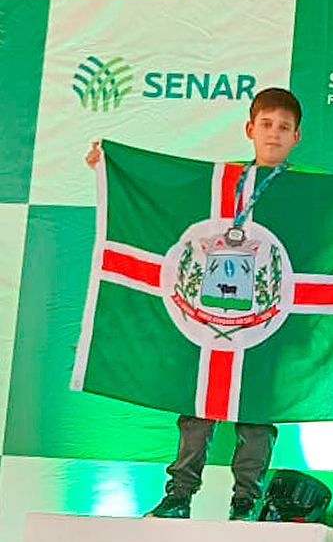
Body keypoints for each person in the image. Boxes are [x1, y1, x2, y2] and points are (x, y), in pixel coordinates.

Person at [87, 86, 304, 519]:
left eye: (284, 127)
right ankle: (179, 496)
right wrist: (108, 168)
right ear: (250, 129)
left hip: (268, 321)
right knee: (197, 406)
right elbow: (160, 193)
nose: (274, 134)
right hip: (212, 316)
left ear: (297, 137)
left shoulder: (309, 185)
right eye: (266, 124)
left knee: (257, 415)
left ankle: (246, 502)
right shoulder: (221, 182)